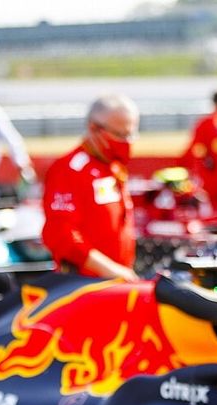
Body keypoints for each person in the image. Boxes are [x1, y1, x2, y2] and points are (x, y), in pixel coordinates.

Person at [41, 94, 139, 281]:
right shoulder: (69, 170)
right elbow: (60, 235)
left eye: (130, 134)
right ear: (94, 128)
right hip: (84, 286)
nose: (126, 141)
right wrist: (112, 270)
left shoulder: (114, 167)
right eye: (120, 134)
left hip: (118, 282)